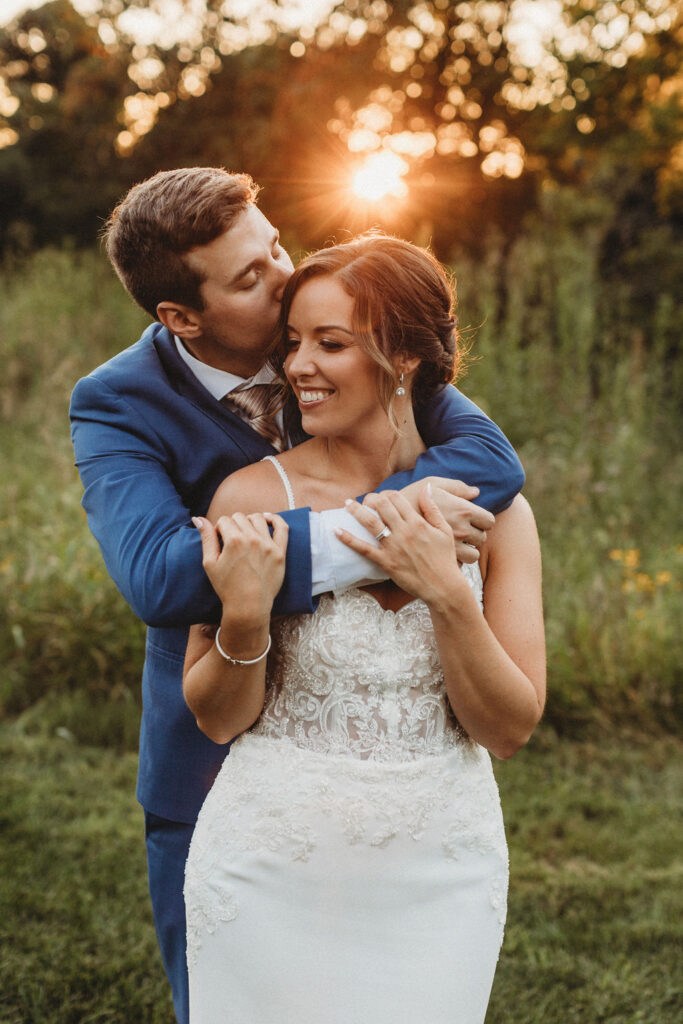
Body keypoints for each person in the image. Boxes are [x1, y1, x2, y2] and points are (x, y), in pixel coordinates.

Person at [69, 167, 525, 1024]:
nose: (282, 279)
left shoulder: (344, 330)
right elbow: (161, 577)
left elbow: (493, 465)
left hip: (418, 804)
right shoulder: (116, 404)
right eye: (249, 278)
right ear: (179, 317)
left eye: (274, 246)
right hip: (220, 777)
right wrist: (385, 540)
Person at [183, 234, 545, 1023]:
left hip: (439, 871)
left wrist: (448, 595)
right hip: (267, 864)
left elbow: (509, 728)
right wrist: (245, 616)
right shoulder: (249, 499)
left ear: (406, 358)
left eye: (331, 342)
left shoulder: (498, 514)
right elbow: (215, 717)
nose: (297, 366)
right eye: (293, 342)